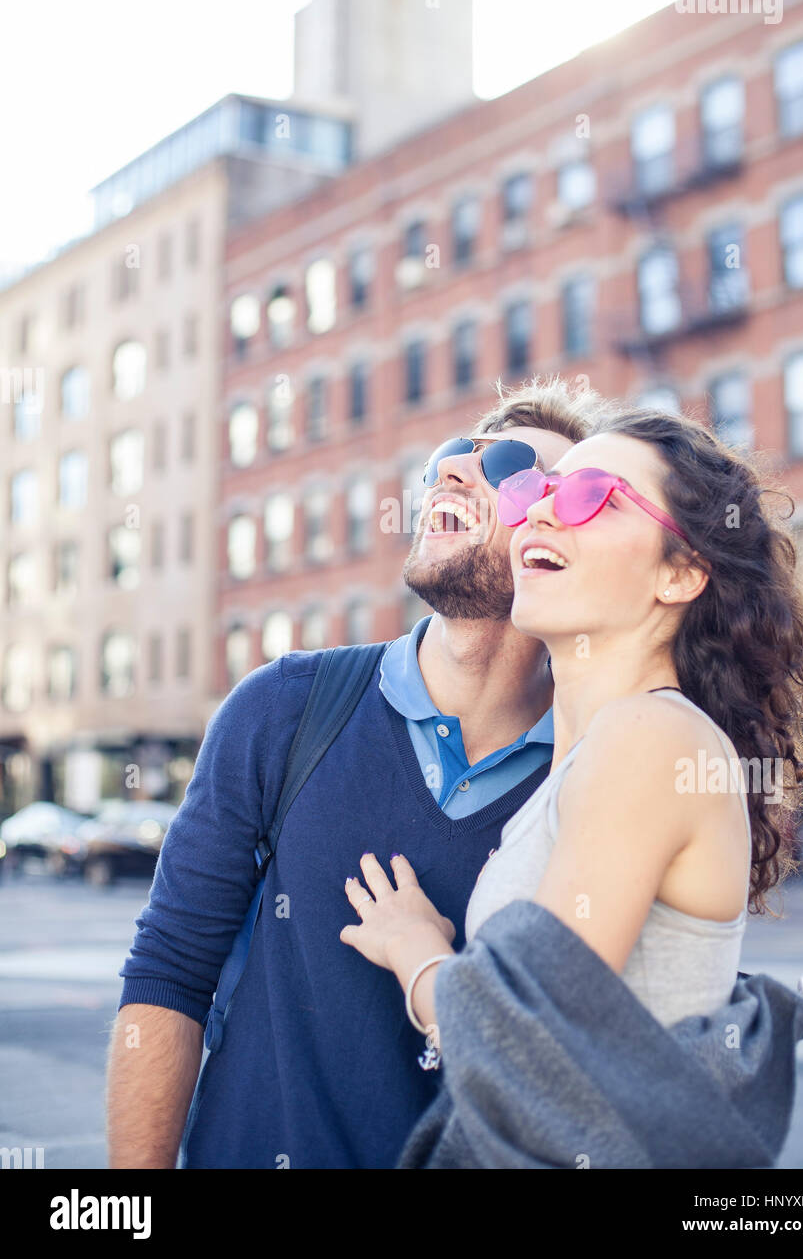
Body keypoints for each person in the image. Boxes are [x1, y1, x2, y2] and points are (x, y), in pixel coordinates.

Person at [105, 374, 601, 1169]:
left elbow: (579, 1071)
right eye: (450, 455)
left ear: (562, 538)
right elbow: (168, 970)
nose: (451, 471)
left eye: (505, 463)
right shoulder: (283, 707)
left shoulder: (595, 776)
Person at [339, 406, 803, 1168]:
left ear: (679, 573)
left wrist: (416, 954)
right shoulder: (592, 760)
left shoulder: (648, 738)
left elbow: (527, 1040)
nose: (541, 508)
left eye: (593, 497)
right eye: (539, 492)